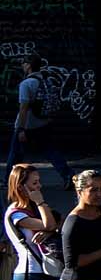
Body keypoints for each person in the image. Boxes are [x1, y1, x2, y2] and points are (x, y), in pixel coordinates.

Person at [8, 56, 70, 187]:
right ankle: (68, 175)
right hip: (43, 122)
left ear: (29, 65)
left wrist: (20, 128)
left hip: (28, 124)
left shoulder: (26, 84)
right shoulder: (46, 80)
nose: (22, 66)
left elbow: (24, 108)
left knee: (15, 154)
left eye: (24, 63)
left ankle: (9, 180)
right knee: (50, 151)